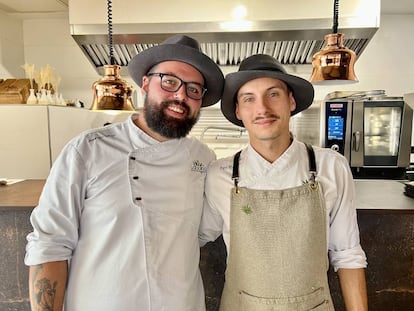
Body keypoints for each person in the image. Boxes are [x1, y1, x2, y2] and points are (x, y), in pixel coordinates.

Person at [25, 34, 224, 311]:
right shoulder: (87, 150)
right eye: (169, 81)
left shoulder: (203, 158)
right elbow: (50, 244)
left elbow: (201, 233)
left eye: (194, 89)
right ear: (145, 83)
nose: (181, 95)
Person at [199, 54, 368, 310]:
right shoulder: (219, 173)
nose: (262, 108)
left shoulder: (331, 166)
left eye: (273, 94)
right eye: (249, 98)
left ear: (291, 101)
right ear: (238, 111)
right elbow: (196, 236)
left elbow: (347, 254)